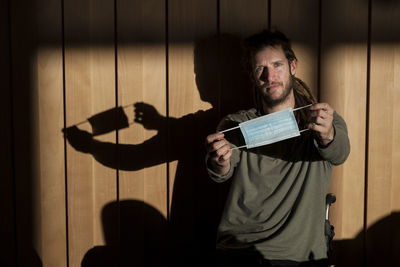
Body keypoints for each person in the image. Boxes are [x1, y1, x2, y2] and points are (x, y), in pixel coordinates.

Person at [205, 30, 350, 267]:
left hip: (297, 255)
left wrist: (327, 135)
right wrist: (219, 162)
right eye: (260, 68)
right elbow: (221, 171)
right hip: (239, 250)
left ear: (293, 66)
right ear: (252, 75)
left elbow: (340, 152)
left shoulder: (322, 119)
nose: (269, 76)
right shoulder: (236, 123)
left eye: (277, 65)